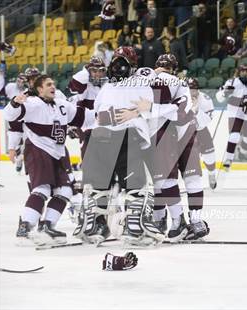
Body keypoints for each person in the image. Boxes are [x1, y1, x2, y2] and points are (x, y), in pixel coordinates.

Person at [75, 46, 166, 246]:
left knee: (100, 188)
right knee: (136, 188)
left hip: (99, 138)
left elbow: (97, 113)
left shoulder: (107, 87)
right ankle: (134, 229)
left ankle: (93, 226)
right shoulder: (141, 84)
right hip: (126, 137)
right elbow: (149, 112)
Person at [3, 74, 94, 246]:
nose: (53, 86)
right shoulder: (31, 103)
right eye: (48, 84)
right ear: (39, 89)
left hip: (58, 153)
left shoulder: (61, 104)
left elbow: (87, 117)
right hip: (37, 150)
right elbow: (10, 115)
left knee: (66, 191)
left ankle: (47, 226)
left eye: (53, 83)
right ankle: (25, 227)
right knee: (42, 189)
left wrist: (111, 110)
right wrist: (15, 102)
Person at [149, 54, 209, 241]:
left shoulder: (156, 78)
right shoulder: (182, 83)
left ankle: (169, 220)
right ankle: (196, 221)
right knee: (193, 179)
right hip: (188, 132)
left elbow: (156, 100)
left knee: (162, 181)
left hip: (164, 132)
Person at [216, 64, 247, 170]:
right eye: (242, 71)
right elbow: (219, 97)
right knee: (234, 136)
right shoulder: (231, 82)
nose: (245, 73)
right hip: (234, 113)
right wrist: (225, 93)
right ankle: (228, 159)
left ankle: (242, 153)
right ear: (239, 72)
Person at [67, 56, 108, 158]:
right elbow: (75, 81)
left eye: (101, 71)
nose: (98, 74)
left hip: (105, 124)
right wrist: (86, 70)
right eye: (94, 71)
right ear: (88, 71)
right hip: (86, 126)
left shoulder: (108, 83)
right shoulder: (84, 85)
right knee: (87, 154)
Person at [188, 77, 217, 189]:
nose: (192, 92)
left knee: (209, 156)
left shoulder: (205, 99)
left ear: (197, 89)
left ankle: (212, 174)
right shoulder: (182, 98)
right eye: (189, 89)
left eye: (194, 89)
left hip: (201, 131)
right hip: (187, 133)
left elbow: (207, 120)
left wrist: (196, 109)